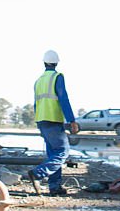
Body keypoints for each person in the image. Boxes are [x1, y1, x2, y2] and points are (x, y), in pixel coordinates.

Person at [25, 50, 79, 196]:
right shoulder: (57, 77)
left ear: (44, 62)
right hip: (53, 120)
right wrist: (72, 120)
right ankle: (38, 173)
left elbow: (36, 104)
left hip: (42, 121)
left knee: (52, 154)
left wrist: (38, 121)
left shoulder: (39, 81)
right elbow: (63, 99)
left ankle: (54, 187)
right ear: (56, 63)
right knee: (63, 151)